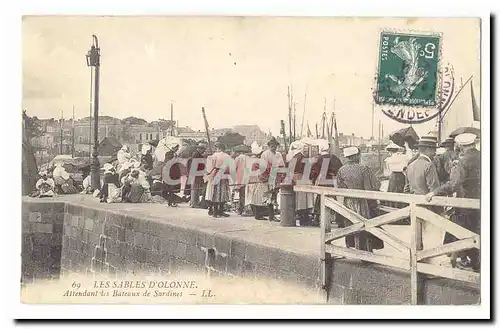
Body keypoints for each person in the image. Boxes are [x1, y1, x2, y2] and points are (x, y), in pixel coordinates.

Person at [426, 133, 480, 271]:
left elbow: (454, 184)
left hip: (466, 203)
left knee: (465, 233)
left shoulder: (464, 161)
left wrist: (435, 192)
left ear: (461, 146)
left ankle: (476, 264)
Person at [336, 146, 383, 251]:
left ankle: (353, 247)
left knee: (350, 224)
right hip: (362, 201)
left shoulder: (341, 170)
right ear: (356, 156)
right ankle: (365, 249)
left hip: (348, 202)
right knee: (365, 224)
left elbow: (340, 187)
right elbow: (368, 188)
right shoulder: (363, 169)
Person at [310, 140, 343, 226]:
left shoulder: (318, 159)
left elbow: (313, 172)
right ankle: (339, 220)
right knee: (334, 199)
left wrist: (314, 181)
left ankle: (317, 218)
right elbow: (340, 169)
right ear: (328, 148)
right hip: (332, 180)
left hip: (321, 180)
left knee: (320, 199)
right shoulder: (333, 157)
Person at [286, 140, 314, 224]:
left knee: (299, 198)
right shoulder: (302, 157)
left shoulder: (293, 157)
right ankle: (304, 217)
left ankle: (300, 214)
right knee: (304, 198)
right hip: (302, 177)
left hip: (294, 177)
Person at [260, 137, 286, 221]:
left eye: (274, 145)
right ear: (269, 146)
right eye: (271, 145)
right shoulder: (265, 154)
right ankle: (271, 215)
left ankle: (273, 214)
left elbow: (282, 165)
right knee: (269, 195)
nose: (273, 147)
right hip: (268, 175)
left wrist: (282, 174)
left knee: (275, 194)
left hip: (276, 176)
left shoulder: (278, 154)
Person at [245, 142, 270, 220]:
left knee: (252, 198)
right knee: (258, 198)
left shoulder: (248, 160)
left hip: (250, 180)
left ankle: (255, 213)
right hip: (258, 180)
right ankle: (258, 215)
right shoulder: (260, 161)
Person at [381, 142, 409, 209]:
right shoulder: (403, 157)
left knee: (392, 191)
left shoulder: (389, 159)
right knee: (401, 191)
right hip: (401, 175)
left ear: (390, 151)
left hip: (393, 176)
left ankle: (393, 206)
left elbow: (387, 170)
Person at [187, 143, 207, 208]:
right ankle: (193, 203)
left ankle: (194, 202)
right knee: (195, 189)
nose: (204, 151)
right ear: (200, 149)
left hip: (195, 173)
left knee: (196, 188)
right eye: (203, 149)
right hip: (195, 174)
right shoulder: (196, 155)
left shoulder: (196, 154)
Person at [233, 145, 250, 215]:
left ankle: (241, 209)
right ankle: (246, 208)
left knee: (241, 194)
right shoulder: (248, 158)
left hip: (240, 177)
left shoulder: (237, 158)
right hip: (247, 177)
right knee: (246, 194)